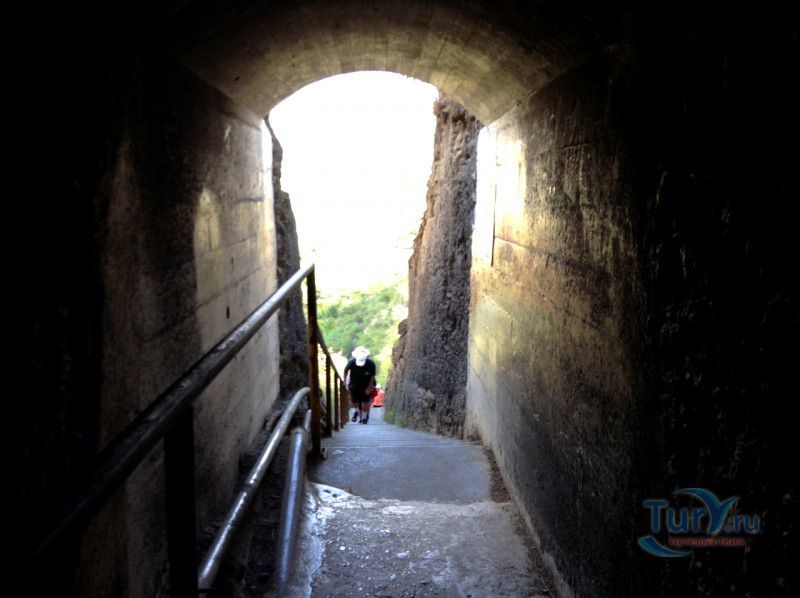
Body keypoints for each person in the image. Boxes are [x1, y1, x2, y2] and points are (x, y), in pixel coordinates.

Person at [343, 346, 377, 424]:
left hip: (367, 384)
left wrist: (369, 387)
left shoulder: (371, 363)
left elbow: (373, 376)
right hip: (354, 384)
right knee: (354, 400)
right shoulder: (351, 362)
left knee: (366, 400)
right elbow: (345, 371)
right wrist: (345, 382)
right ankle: (357, 412)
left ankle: (364, 418)